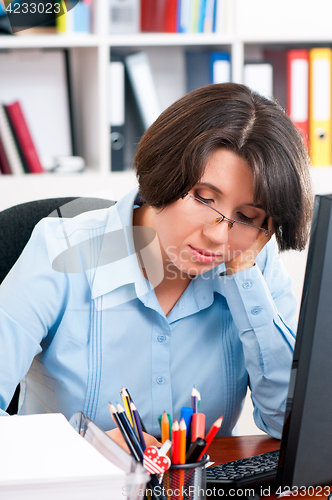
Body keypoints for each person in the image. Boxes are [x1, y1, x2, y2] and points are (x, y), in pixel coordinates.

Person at [0, 83, 312, 446]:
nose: (218, 236)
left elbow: (289, 424)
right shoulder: (61, 250)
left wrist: (243, 279)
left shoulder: (252, 265)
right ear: (166, 172)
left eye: (246, 216)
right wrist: (83, 448)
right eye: (204, 198)